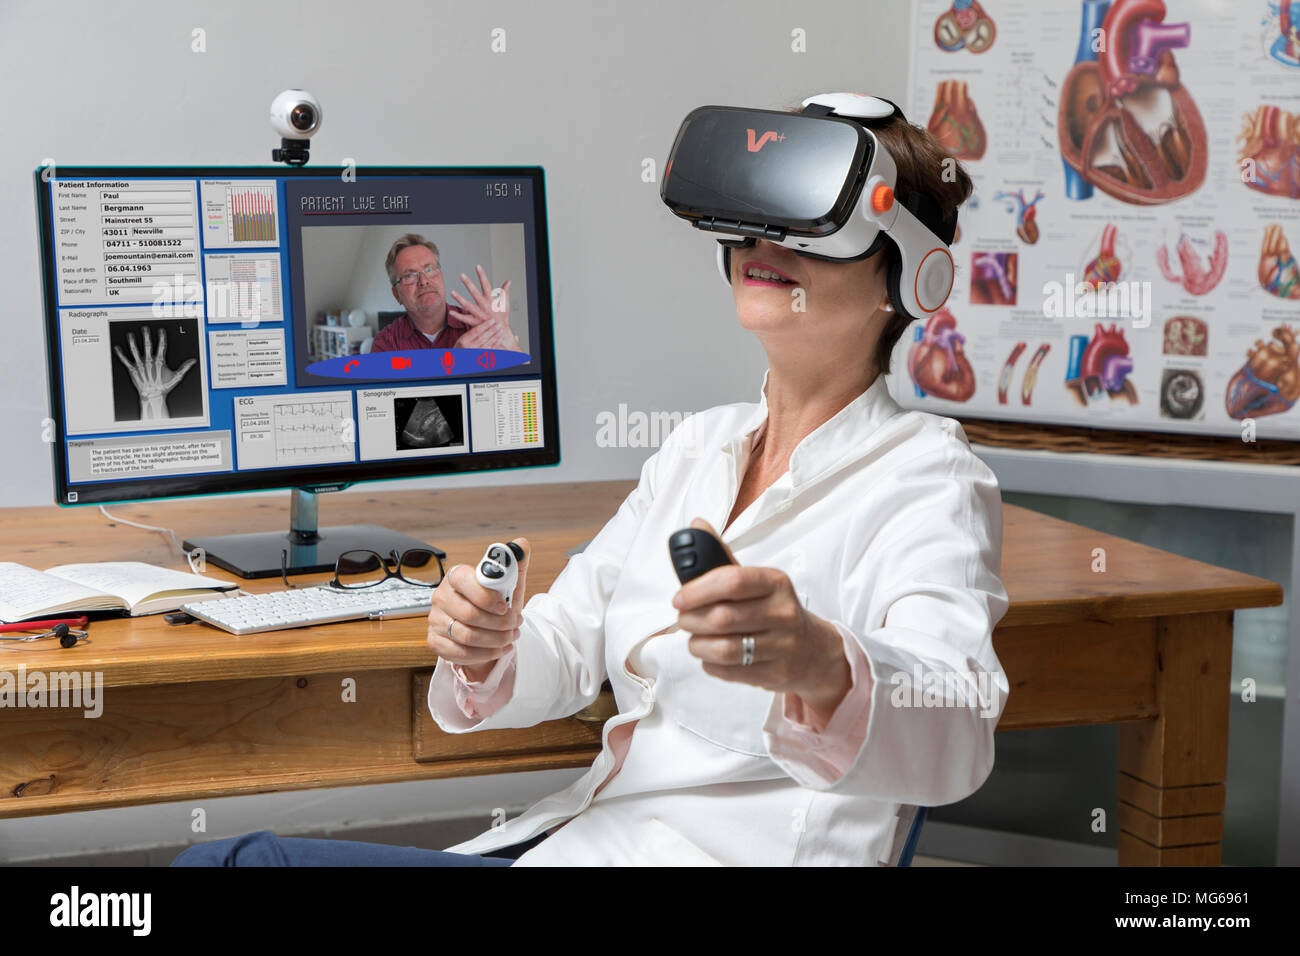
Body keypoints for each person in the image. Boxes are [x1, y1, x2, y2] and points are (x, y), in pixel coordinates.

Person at [173, 99, 1007, 867]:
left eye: (806, 230)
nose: (764, 248)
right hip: (582, 843)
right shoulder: (698, 447)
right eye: (753, 224)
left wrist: (824, 664)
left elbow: (959, 730)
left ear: (910, 275)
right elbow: (564, 644)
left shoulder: (928, 478)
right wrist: (488, 648)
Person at [368, 234, 520, 353]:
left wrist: (506, 338)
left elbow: (520, 386)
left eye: (429, 269)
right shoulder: (386, 344)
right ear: (396, 295)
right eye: (409, 276)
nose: (424, 281)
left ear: (441, 275)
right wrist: (455, 362)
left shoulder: (477, 325)